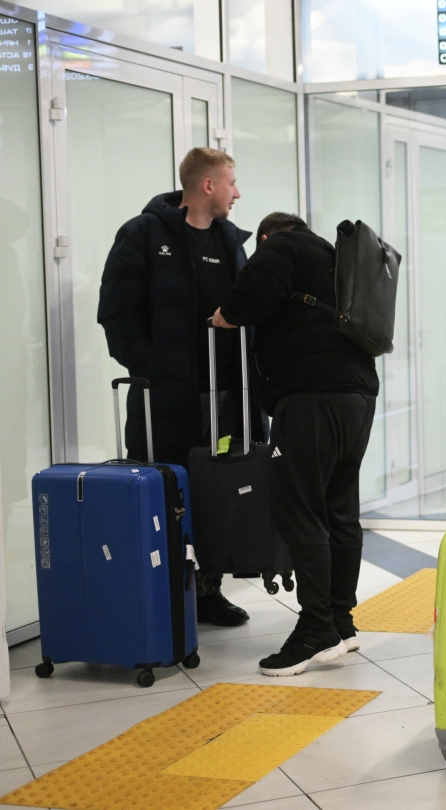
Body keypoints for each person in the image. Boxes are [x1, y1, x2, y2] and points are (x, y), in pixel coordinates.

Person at [98, 146, 265, 628]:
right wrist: (152, 367)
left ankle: (209, 592)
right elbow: (116, 313)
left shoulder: (231, 242)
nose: (237, 193)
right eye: (231, 182)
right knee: (166, 494)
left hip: (227, 399)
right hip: (167, 398)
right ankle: (166, 594)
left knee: (218, 494)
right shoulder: (144, 234)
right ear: (207, 185)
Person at [212, 212, 378, 676]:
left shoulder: (282, 247)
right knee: (339, 510)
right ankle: (341, 622)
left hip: (310, 398)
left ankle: (315, 629)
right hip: (357, 396)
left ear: (266, 236)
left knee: (301, 510)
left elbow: (248, 300)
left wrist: (224, 315)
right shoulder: (336, 259)